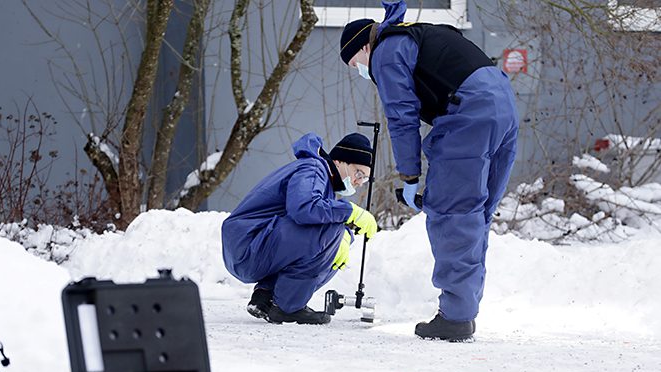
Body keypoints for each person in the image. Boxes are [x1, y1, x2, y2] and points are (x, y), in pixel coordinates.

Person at [340, 0, 519, 341]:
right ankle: (464, 310)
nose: (361, 70)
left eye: (356, 63)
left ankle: (455, 317)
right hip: (503, 105)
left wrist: (410, 176)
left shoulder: (386, 51)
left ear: (365, 46)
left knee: (453, 212)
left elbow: (401, 116)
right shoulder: (415, 35)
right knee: (476, 213)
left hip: (469, 112)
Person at [221, 132, 378, 325]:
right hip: (249, 243)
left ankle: (266, 297)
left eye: (364, 180)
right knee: (329, 229)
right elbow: (304, 208)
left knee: (335, 237)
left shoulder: (324, 182)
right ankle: (288, 307)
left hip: (253, 246)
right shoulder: (314, 169)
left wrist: (344, 237)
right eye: (358, 173)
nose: (358, 182)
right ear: (338, 162)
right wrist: (349, 212)